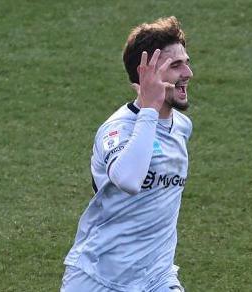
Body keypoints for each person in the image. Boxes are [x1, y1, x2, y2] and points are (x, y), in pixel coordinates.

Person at [61, 16, 194, 292]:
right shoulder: (117, 130)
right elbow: (130, 179)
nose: (188, 74)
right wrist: (148, 110)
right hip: (97, 278)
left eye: (187, 62)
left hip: (157, 278)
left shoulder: (181, 126)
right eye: (176, 65)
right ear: (147, 74)